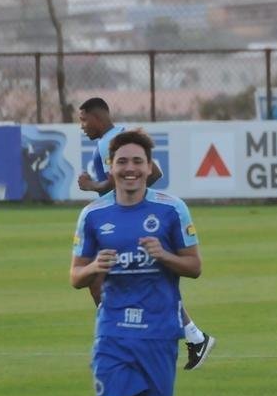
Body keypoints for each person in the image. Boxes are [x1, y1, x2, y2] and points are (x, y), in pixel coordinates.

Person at [71, 129, 202, 396]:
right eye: (122, 162)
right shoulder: (94, 216)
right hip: (113, 333)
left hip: (160, 334)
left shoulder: (171, 210)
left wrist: (163, 255)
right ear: (109, 169)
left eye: (137, 162)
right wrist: (95, 268)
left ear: (149, 168)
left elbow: (194, 266)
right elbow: (76, 275)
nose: (130, 169)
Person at [77, 97, 214, 370]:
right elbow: (147, 175)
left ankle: (121, 335)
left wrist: (92, 185)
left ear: (97, 117)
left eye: (83, 120)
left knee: (110, 278)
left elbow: (130, 180)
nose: (82, 127)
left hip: (133, 218)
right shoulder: (124, 134)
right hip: (136, 215)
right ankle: (193, 336)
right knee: (142, 279)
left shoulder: (108, 143)